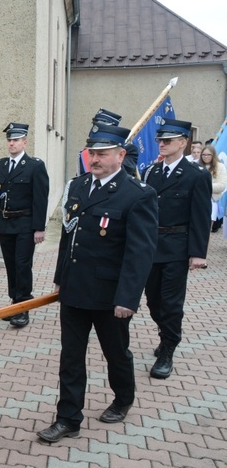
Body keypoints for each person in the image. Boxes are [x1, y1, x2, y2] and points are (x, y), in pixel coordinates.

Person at [37, 122, 158, 443]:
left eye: (103, 154)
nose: (96, 159)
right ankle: (68, 418)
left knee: (115, 353)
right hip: (76, 290)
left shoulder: (137, 195)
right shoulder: (77, 187)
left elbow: (139, 253)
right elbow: (68, 236)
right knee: (71, 358)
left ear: (120, 155)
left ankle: (123, 397)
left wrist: (128, 299)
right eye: (92, 153)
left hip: (110, 295)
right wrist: (61, 278)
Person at [143, 118, 211, 379]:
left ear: (183, 143)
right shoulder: (152, 172)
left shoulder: (197, 175)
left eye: (167, 140)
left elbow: (201, 217)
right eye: (160, 140)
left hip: (177, 247)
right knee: (153, 301)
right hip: (151, 246)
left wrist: (198, 253)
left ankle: (168, 348)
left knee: (171, 302)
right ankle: (166, 334)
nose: (161, 144)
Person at [0, 123, 49, 327]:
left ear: (25, 142)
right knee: (10, 265)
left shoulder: (35, 166)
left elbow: (40, 199)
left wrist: (39, 228)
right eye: (9, 140)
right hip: (6, 224)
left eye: (16, 140)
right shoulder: (1, 166)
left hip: (25, 224)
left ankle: (23, 307)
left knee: (23, 265)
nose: (11, 143)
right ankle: (14, 303)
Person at [197, 144, 226, 232]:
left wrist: (204, 186)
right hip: (197, 200)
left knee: (206, 230)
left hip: (211, 200)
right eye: (203, 154)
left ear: (213, 155)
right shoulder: (196, 166)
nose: (205, 157)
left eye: (208, 154)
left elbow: (222, 185)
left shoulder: (220, 167)